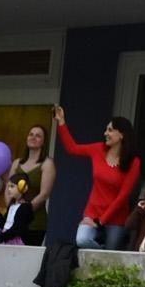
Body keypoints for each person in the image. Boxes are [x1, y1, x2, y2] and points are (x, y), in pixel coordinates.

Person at [54, 105, 139, 250]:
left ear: (121, 135)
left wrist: (101, 221)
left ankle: (105, 255)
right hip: (92, 212)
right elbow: (72, 148)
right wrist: (61, 122)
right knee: (82, 240)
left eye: (110, 130)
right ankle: (101, 253)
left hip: (116, 217)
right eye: (106, 130)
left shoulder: (133, 162)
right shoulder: (98, 149)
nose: (105, 133)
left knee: (111, 251)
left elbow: (123, 197)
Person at [4, 124, 56, 243]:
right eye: (31, 134)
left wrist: (24, 211)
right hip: (13, 222)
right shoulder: (17, 163)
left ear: (44, 142)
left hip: (34, 222)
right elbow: (8, 189)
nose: (33, 137)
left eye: (38, 136)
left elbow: (44, 194)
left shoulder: (47, 164)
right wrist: (11, 209)